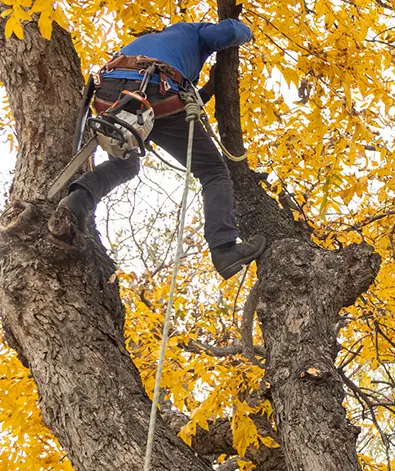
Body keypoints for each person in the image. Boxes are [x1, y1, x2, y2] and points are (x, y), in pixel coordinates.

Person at [57, 19, 264, 280]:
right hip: (155, 89)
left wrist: (208, 89)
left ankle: (78, 200)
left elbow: (178, 104)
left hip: (110, 94)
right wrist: (248, 32)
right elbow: (229, 31)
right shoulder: (192, 30)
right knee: (213, 171)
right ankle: (224, 249)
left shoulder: (143, 43)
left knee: (126, 163)